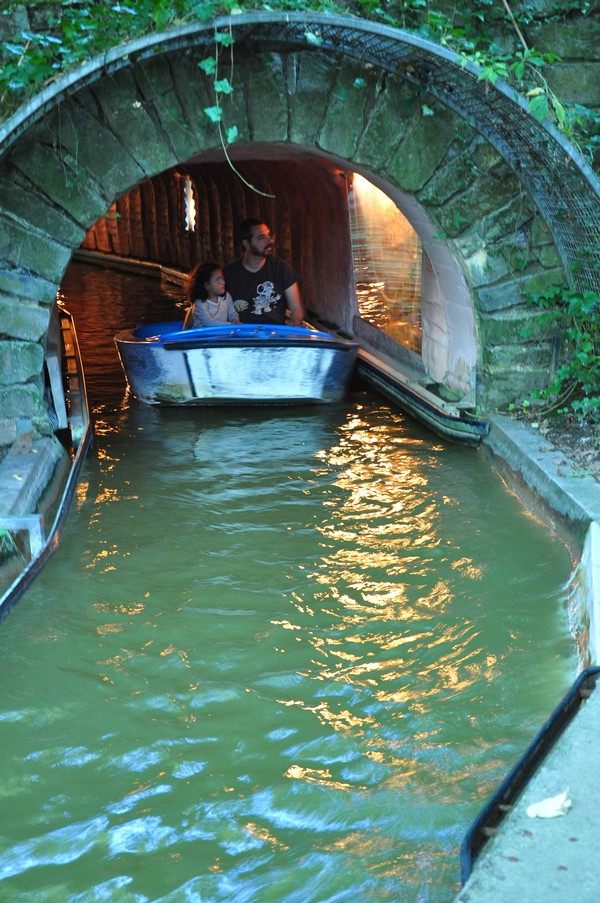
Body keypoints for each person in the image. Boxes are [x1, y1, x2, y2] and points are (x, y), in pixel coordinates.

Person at [224, 218, 305, 326]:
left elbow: (296, 308)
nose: (270, 241)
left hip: (274, 337)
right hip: (242, 337)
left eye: (269, 235)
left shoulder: (282, 269)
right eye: (261, 237)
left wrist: (295, 323)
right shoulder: (228, 275)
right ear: (246, 244)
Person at [183, 261, 240, 328]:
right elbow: (209, 322)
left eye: (222, 278)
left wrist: (235, 319)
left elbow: (232, 312)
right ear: (207, 285)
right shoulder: (199, 303)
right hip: (201, 337)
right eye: (218, 280)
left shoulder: (226, 296)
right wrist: (231, 325)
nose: (223, 282)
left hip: (220, 335)